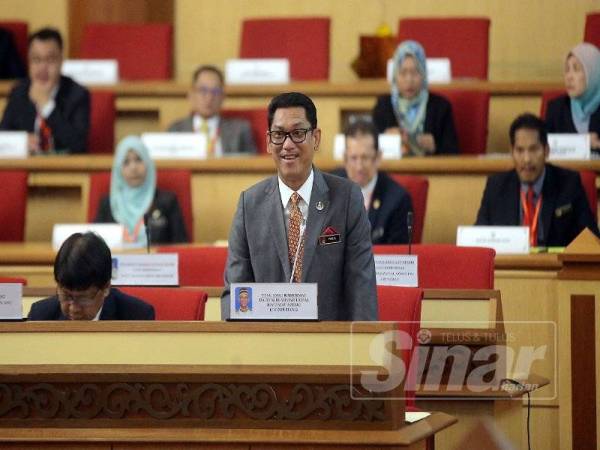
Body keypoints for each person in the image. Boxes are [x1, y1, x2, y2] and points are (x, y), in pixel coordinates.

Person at [221, 92, 377, 321]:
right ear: (267, 141)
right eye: (278, 134)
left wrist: (360, 350)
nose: (287, 144)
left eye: (297, 133)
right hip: (266, 346)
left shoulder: (347, 199)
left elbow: (361, 289)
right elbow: (235, 294)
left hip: (330, 345)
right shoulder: (249, 205)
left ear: (316, 138)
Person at [476, 113, 599, 247]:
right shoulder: (496, 186)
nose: (527, 159)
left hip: (554, 267)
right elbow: (479, 239)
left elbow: (591, 240)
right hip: (510, 267)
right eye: (520, 150)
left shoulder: (568, 184)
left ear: (546, 150)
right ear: (511, 152)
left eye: (534, 149)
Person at [0, 27, 90, 154]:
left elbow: (78, 145)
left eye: (50, 59)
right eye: (36, 59)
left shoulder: (77, 94)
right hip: (27, 167)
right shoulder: (19, 92)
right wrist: (20, 142)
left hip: (65, 171)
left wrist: (47, 106)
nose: (43, 67)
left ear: (61, 61)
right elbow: (2, 137)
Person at [28, 232, 155, 320]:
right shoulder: (40, 315)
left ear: (106, 288)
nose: (73, 308)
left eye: (83, 298)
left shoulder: (137, 316)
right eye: (66, 296)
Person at [95, 135, 189, 245]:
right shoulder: (108, 204)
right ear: (118, 169)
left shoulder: (167, 202)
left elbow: (181, 246)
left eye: (138, 159)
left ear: (148, 163)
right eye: (126, 162)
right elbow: (95, 247)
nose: (133, 167)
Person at [372, 40, 459, 156]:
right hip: (394, 172)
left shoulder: (441, 107)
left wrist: (435, 147)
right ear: (394, 76)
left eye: (415, 72)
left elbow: (454, 154)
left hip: (430, 171)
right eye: (403, 73)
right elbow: (369, 150)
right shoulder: (383, 106)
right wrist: (385, 141)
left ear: (423, 74)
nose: (409, 80)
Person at [332, 120, 413, 244]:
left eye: (365, 158)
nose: (359, 167)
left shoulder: (398, 200)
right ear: (344, 158)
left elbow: (397, 256)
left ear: (378, 157)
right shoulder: (327, 190)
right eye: (353, 158)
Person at [168, 65, 257, 155]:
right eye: (203, 90)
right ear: (191, 95)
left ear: (223, 97)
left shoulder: (240, 130)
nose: (209, 97)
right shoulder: (176, 130)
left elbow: (251, 165)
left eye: (215, 91)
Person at [545, 42, 600, 153]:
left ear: (594, 73)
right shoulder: (556, 109)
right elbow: (542, 147)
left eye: (576, 69)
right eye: (567, 70)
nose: (569, 77)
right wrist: (582, 143)